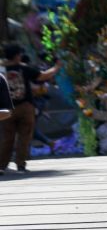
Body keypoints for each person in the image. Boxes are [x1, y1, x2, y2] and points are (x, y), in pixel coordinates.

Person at [0, 43, 61, 174]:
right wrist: (56, 67)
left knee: (6, 138)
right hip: (25, 106)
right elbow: (43, 76)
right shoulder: (24, 68)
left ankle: (1, 166)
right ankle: (21, 165)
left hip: (6, 109)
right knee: (25, 136)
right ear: (17, 56)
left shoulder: (1, 69)